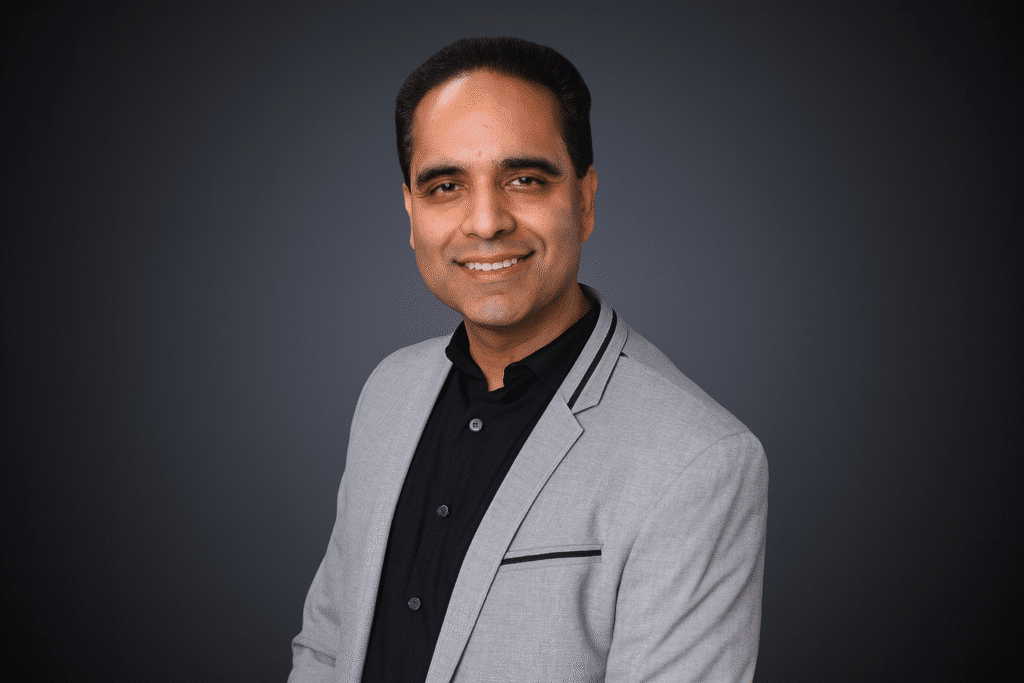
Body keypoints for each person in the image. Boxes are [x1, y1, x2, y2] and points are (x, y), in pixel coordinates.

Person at [289, 37, 768, 683]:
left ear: (585, 199)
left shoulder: (698, 459)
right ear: (411, 211)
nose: (486, 221)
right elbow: (327, 647)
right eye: (446, 185)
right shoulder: (388, 391)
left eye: (524, 180)